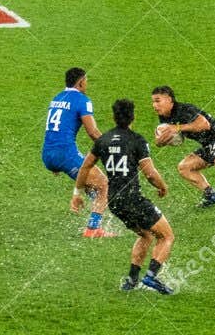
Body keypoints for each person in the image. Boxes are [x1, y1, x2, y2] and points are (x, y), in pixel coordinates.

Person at [77, 99, 174, 294]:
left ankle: (131, 279)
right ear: (133, 117)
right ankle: (151, 277)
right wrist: (162, 187)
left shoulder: (102, 140)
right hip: (132, 199)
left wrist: (77, 192)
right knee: (167, 236)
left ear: (113, 117)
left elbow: (86, 166)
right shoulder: (137, 140)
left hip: (114, 202)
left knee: (145, 235)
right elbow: (150, 173)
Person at [150, 85, 215, 220]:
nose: (154, 105)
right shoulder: (164, 118)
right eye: (153, 101)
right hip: (208, 144)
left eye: (157, 100)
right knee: (185, 167)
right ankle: (210, 195)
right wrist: (161, 141)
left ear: (169, 100)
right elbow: (178, 138)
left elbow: (204, 124)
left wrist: (177, 128)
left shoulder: (184, 110)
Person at [42, 67, 114, 238]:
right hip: (65, 154)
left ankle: (98, 207)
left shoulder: (57, 98)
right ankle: (93, 229)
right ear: (81, 82)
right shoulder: (82, 100)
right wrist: (112, 149)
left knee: (94, 187)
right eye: (86, 80)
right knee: (105, 184)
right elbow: (93, 132)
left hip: (47, 154)